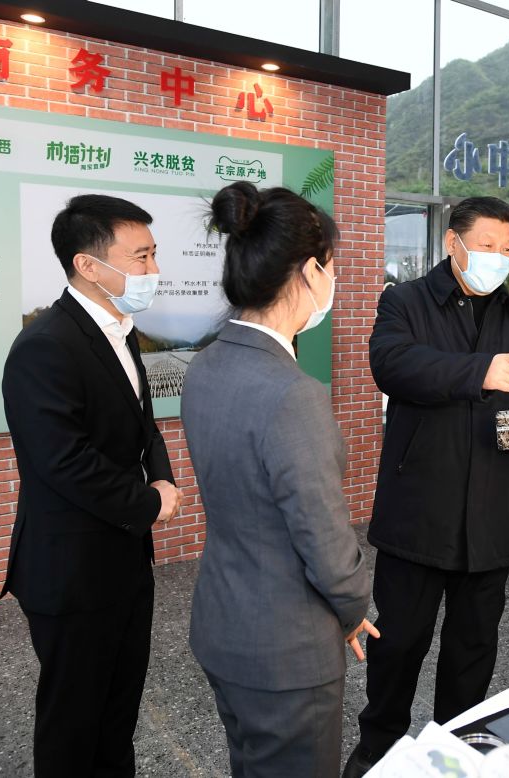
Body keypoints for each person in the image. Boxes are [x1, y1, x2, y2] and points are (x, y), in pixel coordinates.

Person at [343, 197, 509, 777]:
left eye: (507, 250)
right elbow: (392, 364)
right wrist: (479, 372)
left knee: (474, 649)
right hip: (420, 512)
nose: (498, 259)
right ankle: (379, 743)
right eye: (488, 246)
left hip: (492, 515)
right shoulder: (406, 302)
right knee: (398, 644)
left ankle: (458, 745)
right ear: (454, 243)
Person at [181, 182, 374, 777]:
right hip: (286, 650)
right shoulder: (293, 395)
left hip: (224, 623)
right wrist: (354, 606)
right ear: (311, 272)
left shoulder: (207, 362)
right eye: (333, 267)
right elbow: (323, 535)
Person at [1, 194, 180, 777]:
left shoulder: (123, 331)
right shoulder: (45, 346)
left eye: (154, 255)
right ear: (88, 264)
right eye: (142, 257)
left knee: (117, 710)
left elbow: (142, 423)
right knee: (72, 722)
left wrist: (163, 475)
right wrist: (149, 502)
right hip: (71, 570)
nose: (154, 270)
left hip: (125, 560)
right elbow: (63, 460)